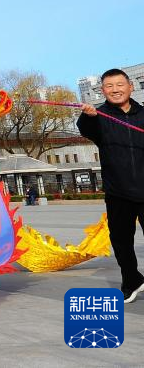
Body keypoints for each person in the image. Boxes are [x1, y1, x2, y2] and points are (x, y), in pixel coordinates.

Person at [78, 68, 144, 303]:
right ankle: (132, 281)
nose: (115, 90)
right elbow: (87, 130)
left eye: (120, 84)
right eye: (109, 86)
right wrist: (88, 117)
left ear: (130, 87)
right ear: (103, 90)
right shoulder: (99, 116)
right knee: (121, 241)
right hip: (118, 191)